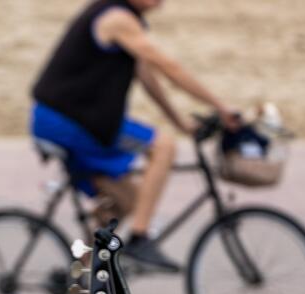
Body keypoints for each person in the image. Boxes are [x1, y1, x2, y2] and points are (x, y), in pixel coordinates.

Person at [30, 0, 240, 271]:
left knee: (126, 199)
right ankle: (140, 238)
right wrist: (221, 108)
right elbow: (169, 67)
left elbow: (148, 76)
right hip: (68, 121)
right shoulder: (116, 18)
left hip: (66, 119)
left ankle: (75, 275)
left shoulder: (124, 21)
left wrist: (179, 121)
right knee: (163, 147)